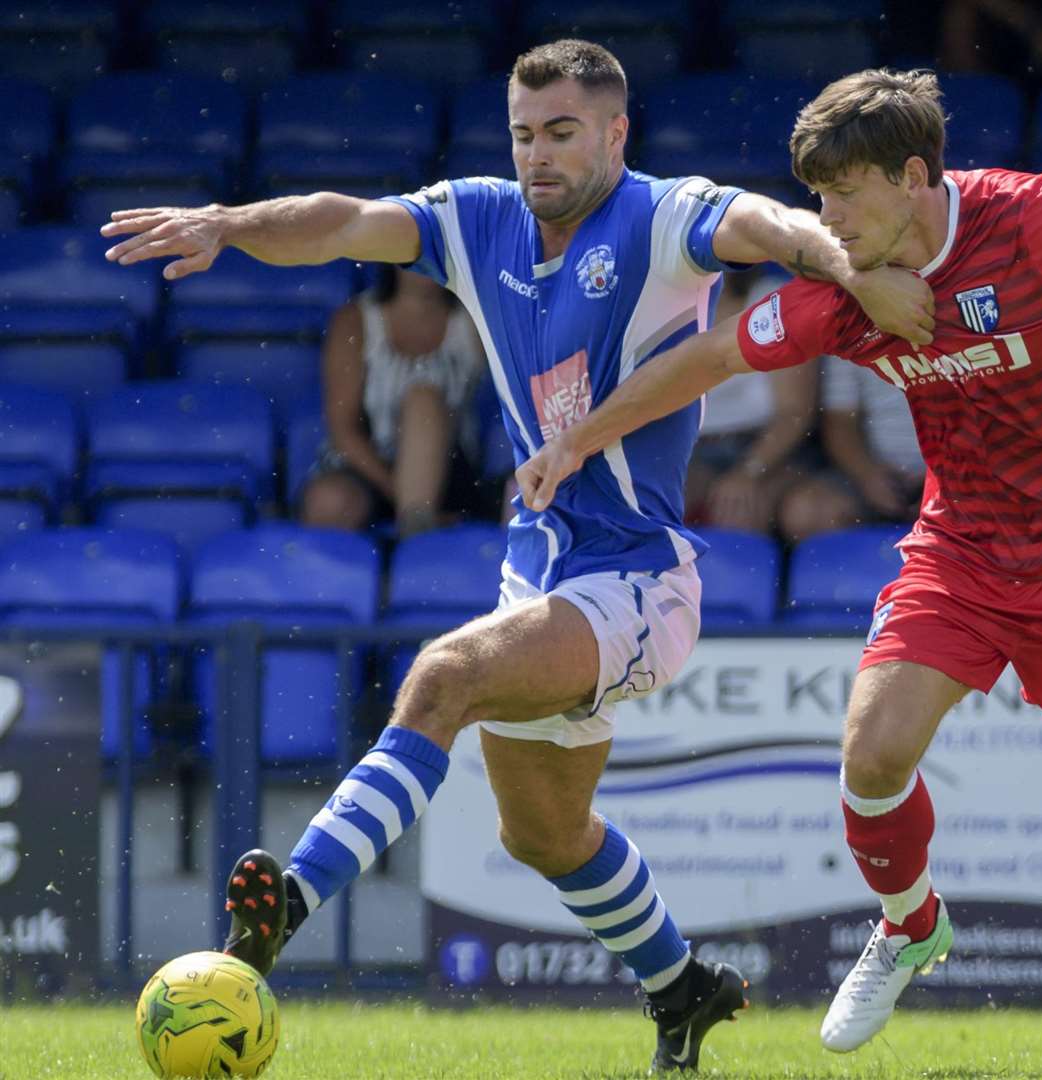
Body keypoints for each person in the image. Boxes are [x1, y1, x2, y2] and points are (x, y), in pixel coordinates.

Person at [102, 41, 933, 1072]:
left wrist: (847, 260)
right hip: (538, 573)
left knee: (445, 675)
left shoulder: (666, 216)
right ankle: (682, 987)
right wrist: (229, 224)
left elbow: (765, 225)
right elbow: (340, 220)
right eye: (525, 134)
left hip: (637, 579)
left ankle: (284, 911)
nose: (539, 155)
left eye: (564, 133)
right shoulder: (477, 216)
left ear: (616, 133)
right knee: (546, 833)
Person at [515, 68, 1042, 1075]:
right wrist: (578, 443)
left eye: (846, 195)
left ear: (912, 177)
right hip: (966, 553)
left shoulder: (1034, 221)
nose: (829, 219)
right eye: (818, 198)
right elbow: (713, 359)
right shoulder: (845, 294)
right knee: (870, 757)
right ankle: (908, 923)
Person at [302, 265, 486, 537]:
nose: (425, 263)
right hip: (370, 464)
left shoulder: (472, 319)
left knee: (423, 399)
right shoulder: (355, 320)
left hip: (448, 467)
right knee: (328, 501)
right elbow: (343, 430)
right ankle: (410, 525)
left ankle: (416, 529)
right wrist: (400, 491)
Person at [686, 266, 818, 533]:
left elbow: (795, 413)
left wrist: (749, 470)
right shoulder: (664, 314)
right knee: (655, 505)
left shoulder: (773, 299)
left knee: (739, 513)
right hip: (692, 450)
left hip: (767, 448)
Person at [776, 353, 924, 543]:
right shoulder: (853, 338)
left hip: (958, 478)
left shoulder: (966, 335)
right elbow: (840, 423)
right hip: (875, 478)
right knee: (805, 512)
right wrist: (866, 474)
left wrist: (939, 484)